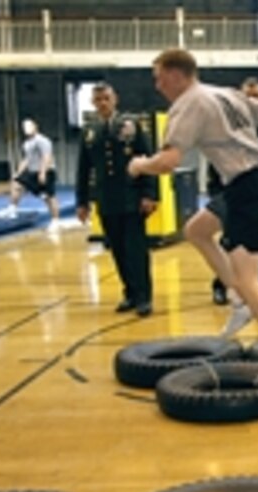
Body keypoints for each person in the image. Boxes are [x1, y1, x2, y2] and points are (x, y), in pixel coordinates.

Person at [128, 49, 258, 389]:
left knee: (249, 278)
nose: (157, 86)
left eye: (159, 78)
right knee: (196, 230)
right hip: (247, 182)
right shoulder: (225, 93)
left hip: (247, 187)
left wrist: (139, 165)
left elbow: (169, 161)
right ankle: (241, 299)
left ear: (176, 74)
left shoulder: (188, 104)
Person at [76, 82, 159, 317]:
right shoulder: (90, 131)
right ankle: (130, 293)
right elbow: (84, 169)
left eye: (106, 99)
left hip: (132, 197)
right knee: (118, 250)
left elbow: (148, 160)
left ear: (115, 100)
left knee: (136, 250)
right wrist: (82, 202)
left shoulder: (130, 125)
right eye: (98, 100)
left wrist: (149, 194)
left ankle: (144, 297)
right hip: (107, 199)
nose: (102, 103)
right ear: (93, 103)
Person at [211, 76, 258, 304]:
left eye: (256, 97)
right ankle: (223, 286)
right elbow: (214, 165)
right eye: (247, 96)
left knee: (257, 245)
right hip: (229, 194)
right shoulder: (226, 130)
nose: (251, 101)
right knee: (228, 243)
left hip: (257, 195)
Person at [1, 119, 60, 226]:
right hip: (32, 172)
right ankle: (12, 209)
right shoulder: (27, 143)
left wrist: (42, 173)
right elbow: (26, 159)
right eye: (24, 127)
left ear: (35, 126)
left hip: (46, 170)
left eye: (29, 126)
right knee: (16, 184)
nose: (27, 129)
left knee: (49, 196)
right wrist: (18, 173)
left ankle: (55, 220)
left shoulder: (42, 140)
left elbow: (47, 157)